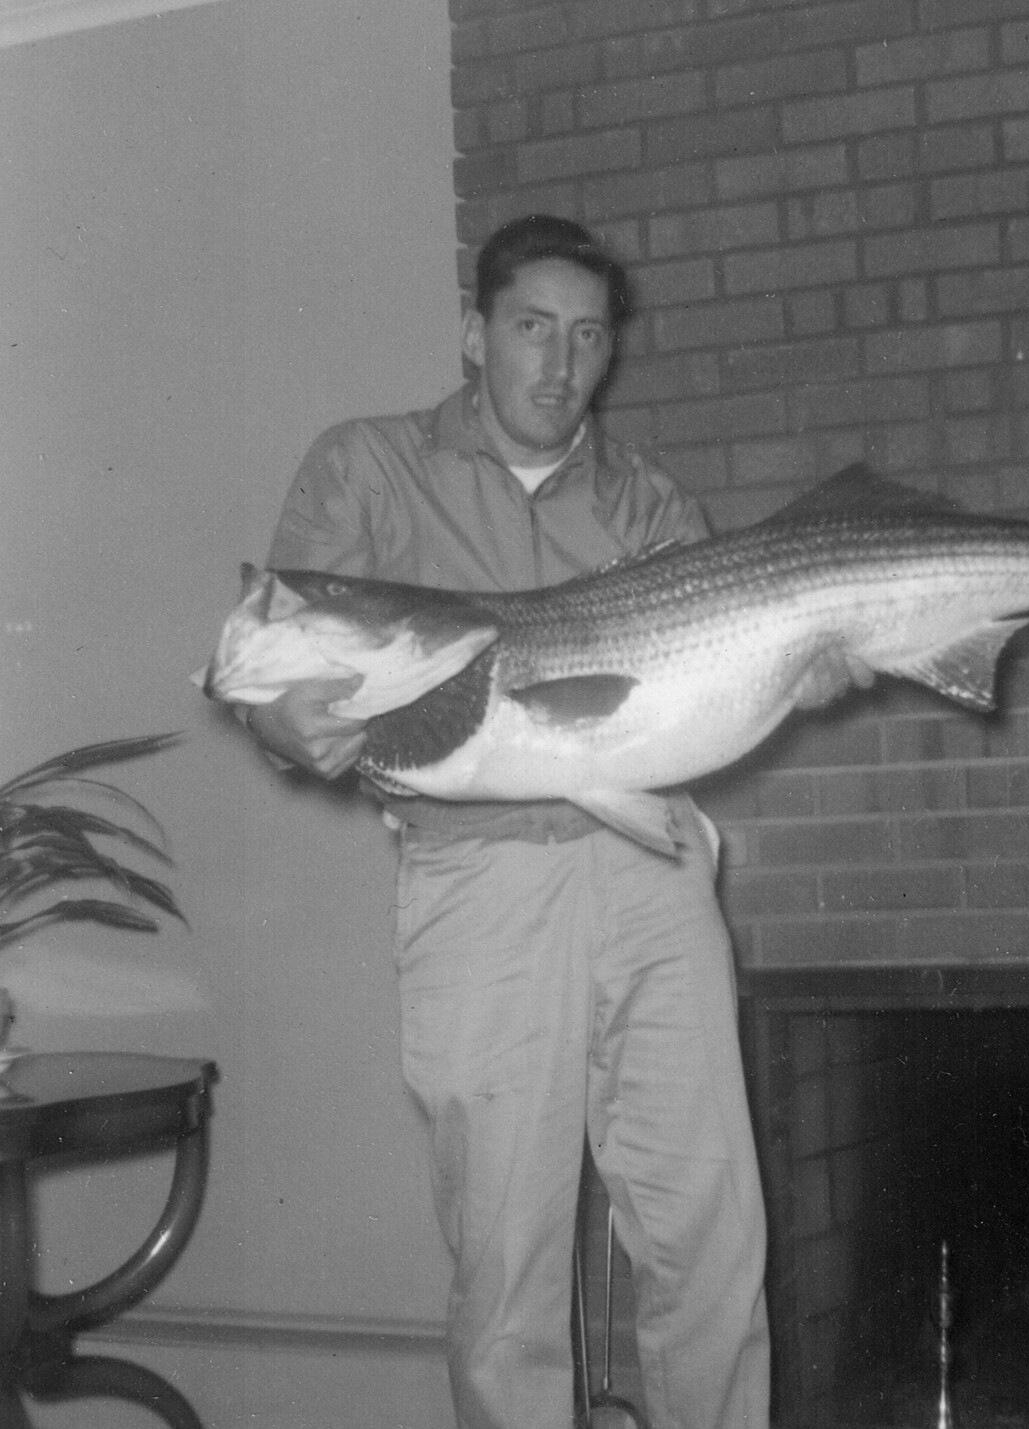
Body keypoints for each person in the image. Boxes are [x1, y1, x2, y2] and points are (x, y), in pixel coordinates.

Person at [242, 214, 772, 1429]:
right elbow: (279, 652)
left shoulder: (649, 503)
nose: (560, 365)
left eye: (588, 338)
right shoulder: (367, 467)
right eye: (532, 328)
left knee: (712, 1241)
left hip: (651, 870)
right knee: (508, 1275)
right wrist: (285, 725)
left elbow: (702, 705)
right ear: (474, 333)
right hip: (478, 885)